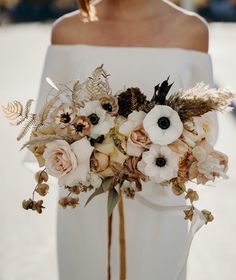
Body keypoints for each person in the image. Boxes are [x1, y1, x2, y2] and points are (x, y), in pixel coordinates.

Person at [24, 0, 215, 279]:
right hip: (85, 211)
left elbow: (206, 131)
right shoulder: (68, 31)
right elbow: (45, 128)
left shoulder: (192, 31)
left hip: (161, 211)